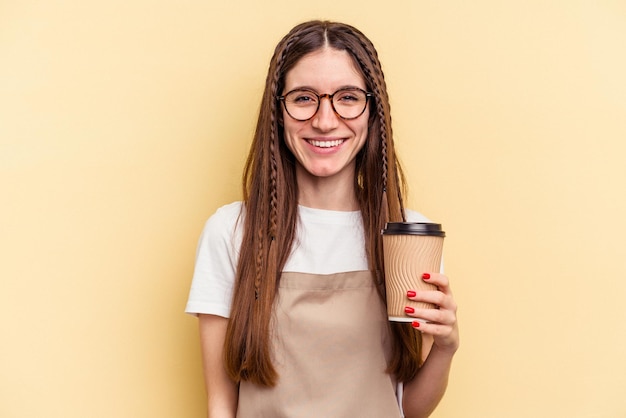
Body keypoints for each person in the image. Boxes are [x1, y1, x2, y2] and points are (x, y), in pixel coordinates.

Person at [186, 20, 459, 418]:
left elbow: (407, 409)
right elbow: (221, 404)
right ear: (278, 111)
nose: (325, 120)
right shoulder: (231, 232)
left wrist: (447, 345)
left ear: (372, 111)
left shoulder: (407, 236)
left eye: (347, 98)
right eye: (303, 98)